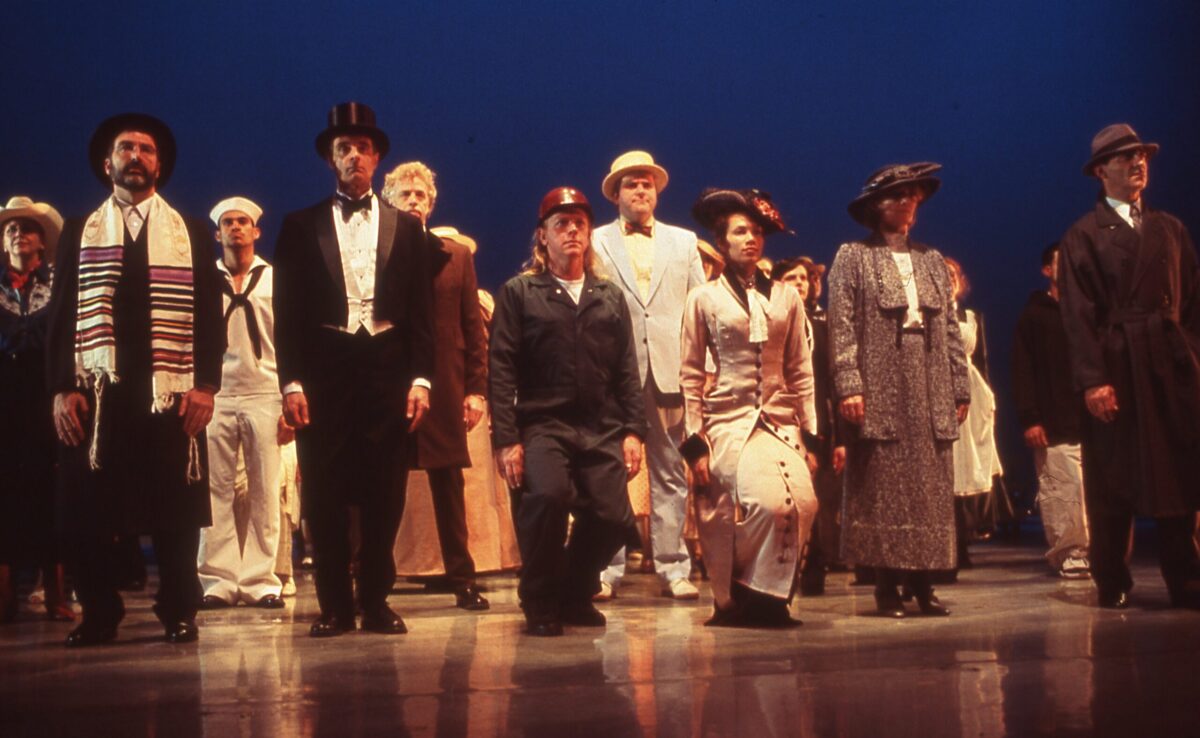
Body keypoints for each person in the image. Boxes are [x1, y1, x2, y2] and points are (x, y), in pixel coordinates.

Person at [46, 113, 224, 646]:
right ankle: (100, 613)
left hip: (170, 388)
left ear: (159, 165)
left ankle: (179, 610)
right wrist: (61, 387)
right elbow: (60, 317)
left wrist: (206, 386)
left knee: (175, 510)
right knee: (91, 509)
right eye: (126, 148)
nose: (136, 157)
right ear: (108, 164)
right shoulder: (79, 230)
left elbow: (209, 318)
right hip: (99, 391)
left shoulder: (190, 231)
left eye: (146, 149)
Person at [273, 102, 433, 637]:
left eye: (363, 148)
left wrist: (421, 378)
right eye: (344, 148)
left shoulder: (406, 228)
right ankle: (335, 606)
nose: (354, 156)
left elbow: (421, 312)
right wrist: (291, 382)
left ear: (376, 157)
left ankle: (376, 601)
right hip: (325, 373)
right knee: (323, 494)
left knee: (386, 493)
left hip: (387, 371)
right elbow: (287, 313)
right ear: (331, 158)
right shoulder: (300, 225)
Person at [489, 187, 646, 636]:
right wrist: (507, 439)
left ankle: (575, 592)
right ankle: (539, 598)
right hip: (544, 424)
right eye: (561, 224)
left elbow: (626, 369)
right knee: (548, 498)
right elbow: (501, 369)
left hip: (600, 426)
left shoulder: (609, 296)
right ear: (543, 236)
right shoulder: (521, 292)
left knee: (614, 517)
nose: (572, 230)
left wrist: (633, 430)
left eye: (580, 223)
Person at [1058, 123, 1200, 609]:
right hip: (1118, 366)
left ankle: (1186, 578)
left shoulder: (1171, 229)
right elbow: (1077, 317)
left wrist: (1191, 355)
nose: (1138, 163)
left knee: (1180, 471)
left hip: (1171, 366)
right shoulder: (1083, 235)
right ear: (1101, 172)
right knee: (1113, 477)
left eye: (1142, 156)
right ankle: (1112, 579)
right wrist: (1093, 380)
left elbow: (1193, 302)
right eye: (1125, 158)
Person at [827, 162, 970, 618]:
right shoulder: (853, 256)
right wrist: (850, 384)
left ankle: (924, 585)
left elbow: (950, 329)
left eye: (913, 195)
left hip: (929, 383)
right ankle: (886, 587)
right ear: (876, 205)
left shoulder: (931, 259)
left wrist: (959, 386)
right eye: (898, 195)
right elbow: (841, 326)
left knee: (929, 487)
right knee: (884, 485)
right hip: (881, 383)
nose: (908, 202)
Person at [680, 188, 818, 627]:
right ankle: (741, 594)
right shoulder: (704, 298)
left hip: (779, 420)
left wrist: (811, 434)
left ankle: (769, 598)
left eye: (757, 232)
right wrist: (695, 442)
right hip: (728, 421)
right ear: (722, 242)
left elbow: (801, 370)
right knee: (768, 503)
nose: (751, 239)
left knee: (804, 503)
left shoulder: (786, 297)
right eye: (740, 231)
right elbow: (689, 374)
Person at [592, 151, 705, 601]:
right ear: (615, 194)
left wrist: (701, 371)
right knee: (609, 471)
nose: (640, 190)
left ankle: (673, 566)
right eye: (631, 184)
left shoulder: (685, 241)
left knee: (670, 471)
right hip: (611, 372)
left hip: (668, 369)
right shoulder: (596, 240)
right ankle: (605, 567)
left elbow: (700, 308)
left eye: (647, 183)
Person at [381, 162, 490, 611]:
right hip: (391, 381)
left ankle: (463, 579)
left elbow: (472, 326)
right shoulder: (376, 252)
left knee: (449, 485)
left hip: (445, 381)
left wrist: (476, 389)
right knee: (382, 484)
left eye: (421, 194)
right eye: (405, 194)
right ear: (388, 201)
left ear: (431, 203)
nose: (414, 200)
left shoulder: (455, 255)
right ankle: (371, 578)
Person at [197, 197, 285, 609]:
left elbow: (289, 339)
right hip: (216, 393)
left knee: (265, 489)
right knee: (214, 489)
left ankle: (260, 579)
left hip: (265, 391)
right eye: (228, 223)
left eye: (243, 222)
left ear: (256, 231)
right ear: (217, 234)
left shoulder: (275, 280)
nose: (235, 228)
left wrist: (290, 393)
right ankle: (218, 579)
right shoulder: (203, 279)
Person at [0, 196, 73, 623]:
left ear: (42, 242)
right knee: (5, 492)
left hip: (47, 400)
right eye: (11, 229)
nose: (18, 235)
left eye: (27, 229)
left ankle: (56, 594)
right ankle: (5, 593)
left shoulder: (60, 285)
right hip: (4, 403)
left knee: (52, 493)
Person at [1012, 243, 1090, 579]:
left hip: (1090, 419)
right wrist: (1030, 418)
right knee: (1062, 489)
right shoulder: (1034, 316)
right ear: (1047, 270)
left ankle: (1096, 551)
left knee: (1090, 491)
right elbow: (1022, 369)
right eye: (1063, 261)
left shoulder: (1088, 311)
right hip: (1053, 420)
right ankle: (1070, 553)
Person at [772, 256, 843, 595]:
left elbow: (831, 380)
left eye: (803, 278)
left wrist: (839, 437)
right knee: (785, 496)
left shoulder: (820, 325)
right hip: (779, 419)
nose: (800, 283)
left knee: (817, 499)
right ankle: (779, 571)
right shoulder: (770, 320)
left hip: (817, 422)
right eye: (791, 277)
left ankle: (815, 569)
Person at [945, 256, 1007, 571]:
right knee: (948, 467)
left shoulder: (971, 317)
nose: (949, 279)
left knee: (970, 468)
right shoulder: (929, 315)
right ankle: (950, 543)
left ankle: (966, 537)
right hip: (941, 391)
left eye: (953, 274)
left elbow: (981, 360)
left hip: (972, 394)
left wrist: (988, 399)